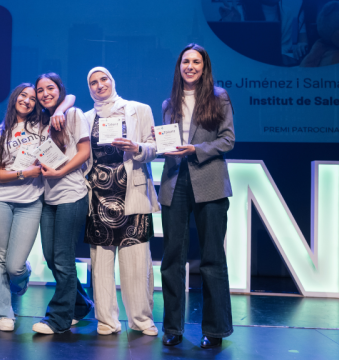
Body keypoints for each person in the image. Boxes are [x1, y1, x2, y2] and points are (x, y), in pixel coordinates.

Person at [156, 44, 235, 349]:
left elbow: (228, 139)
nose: (190, 66)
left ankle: (215, 329)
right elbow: (167, 142)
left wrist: (197, 150)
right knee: (172, 258)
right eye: (185, 61)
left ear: (204, 67)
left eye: (196, 62)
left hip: (209, 181)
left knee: (212, 259)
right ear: (179, 67)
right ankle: (173, 328)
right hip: (175, 182)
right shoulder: (169, 103)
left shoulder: (219, 96)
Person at [0, 83, 75, 332]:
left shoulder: (43, 126)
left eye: (33, 98)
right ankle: (2, 312)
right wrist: (26, 172)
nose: (27, 100)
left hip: (31, 203)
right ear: (14, 98)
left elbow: (71, 98)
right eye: (23, 95)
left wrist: (62, 108)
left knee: (14, 265)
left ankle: (22, 277)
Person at [83, 67, 160, 336]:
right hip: (99, 198)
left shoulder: (139, 109)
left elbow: (155, 146)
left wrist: (137, 148)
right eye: (93, 82)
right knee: (101, 265)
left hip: (133, 193)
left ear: (113, 81)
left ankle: (141, 319)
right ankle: (106, 320)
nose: (99, 85)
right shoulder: (85, 117)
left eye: (104, 79)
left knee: (137, 264)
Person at [31, 73, 94, 334]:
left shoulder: (73, 114)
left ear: (60, 90)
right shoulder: (41, 121)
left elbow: (84, 152)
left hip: (72, 194)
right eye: (40, 90)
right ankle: (80, 304)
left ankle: (59, 318)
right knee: (50, 257)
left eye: (50, 88)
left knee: (63, 258)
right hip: (49, 198)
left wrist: (60, 171)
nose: (45, 93)